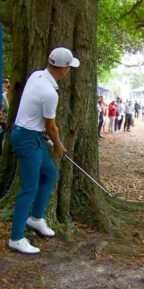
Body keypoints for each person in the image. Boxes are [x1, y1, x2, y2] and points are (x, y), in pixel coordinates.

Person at [8, 47, 79, 254]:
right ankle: (16, 237)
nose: (68, 71)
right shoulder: (50, 93)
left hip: (32, 136)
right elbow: (51, 126)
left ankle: (36, 218)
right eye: (68, 67)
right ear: (63, 69)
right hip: (27, 139)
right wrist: (58, 145)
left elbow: (39, 118)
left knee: (49, 173)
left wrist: (45, 135)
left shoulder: (37, 75)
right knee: (28, 188)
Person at [0, 80, 10, 155]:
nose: (5, 88)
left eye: (7, 87)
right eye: (3, 86)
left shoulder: (7, 97)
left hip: (5, 123)